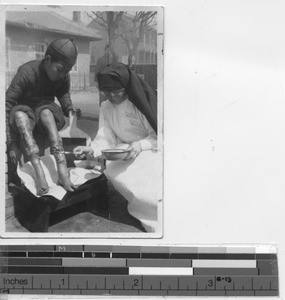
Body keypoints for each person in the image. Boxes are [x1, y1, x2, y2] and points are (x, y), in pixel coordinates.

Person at [73, 63, 161, 232]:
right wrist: (92, 150)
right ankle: (143, 211)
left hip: (149, 148)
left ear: (126, 87)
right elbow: (105, 137)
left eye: (115, 91)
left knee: (146, 173)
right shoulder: (106, 106)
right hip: (123, 151)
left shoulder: (139, 103)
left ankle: (155, 215)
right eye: (106, 92)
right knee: (120, 172)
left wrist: (140, 145)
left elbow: (160, 136)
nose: (111, 95)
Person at [6, 38, 80, 196]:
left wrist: (69, 109)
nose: (63, 75)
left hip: (44, 115)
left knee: (46, 112)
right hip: (25, 117)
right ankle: (39, 172)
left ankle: (62, 171)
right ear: (47, 59)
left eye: (67, 71)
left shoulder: (63, 75)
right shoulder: (27, 71)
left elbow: (63, 94)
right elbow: (7, 104)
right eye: (60, 70)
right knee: (20, 116)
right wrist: (11, 142)